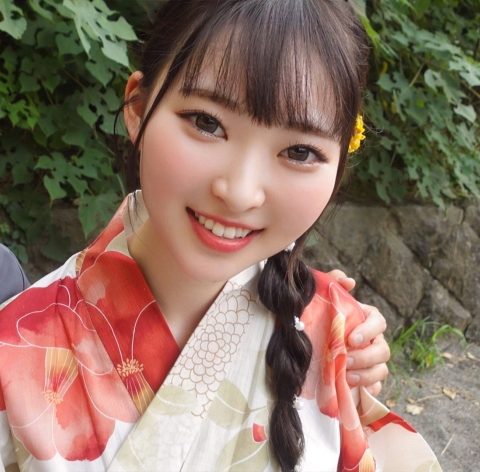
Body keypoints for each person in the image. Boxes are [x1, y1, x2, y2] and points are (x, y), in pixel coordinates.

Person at [0, 1, 439, 471]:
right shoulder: (14, 351)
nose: (240, 192)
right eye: (207, 123)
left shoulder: (333, 333)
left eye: (299, 151)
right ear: (138, 109)